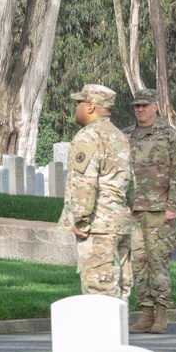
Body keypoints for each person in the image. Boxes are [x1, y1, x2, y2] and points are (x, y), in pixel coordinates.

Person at [58, 84, 133, 300]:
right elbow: (130, 182)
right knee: (119, 292)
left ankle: (106, 334)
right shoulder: (119, 136)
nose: (76, 108)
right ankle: (118, 334)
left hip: (98, 227)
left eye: (78, 103)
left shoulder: (88, 136)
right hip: (120, 224)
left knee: (100, 296)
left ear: (90, 107)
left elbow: (85, 183)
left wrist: (81, 220)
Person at [125, 89, 176, 334]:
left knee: (158, 263)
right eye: (137, 106)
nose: (140, 109)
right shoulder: (126, 135)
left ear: (155, 107)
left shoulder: (169, 135)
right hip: (133, 211)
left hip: (160, 210)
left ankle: (161, 315)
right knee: (138, 264)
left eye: (145, 105)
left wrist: (173, 206)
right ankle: (146, 314)